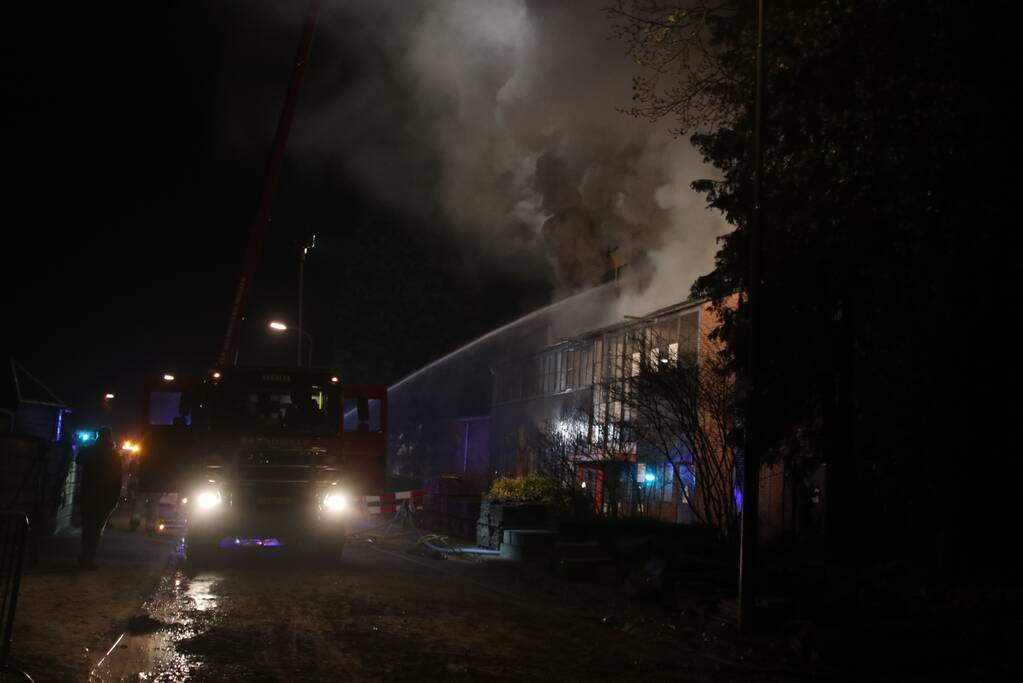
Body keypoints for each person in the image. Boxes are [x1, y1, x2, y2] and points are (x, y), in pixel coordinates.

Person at [76, 426, 123, 568]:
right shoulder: (114, 455)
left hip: (88, 494)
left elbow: (77, 460)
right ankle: (88, 559)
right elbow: (118, 479)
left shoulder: (89, 451)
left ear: (97, 436)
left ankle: (85, 557)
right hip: (105, 497)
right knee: (96, 529)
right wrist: (115, 498)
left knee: (87, 527)